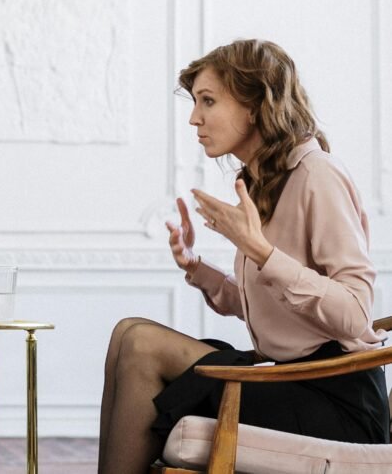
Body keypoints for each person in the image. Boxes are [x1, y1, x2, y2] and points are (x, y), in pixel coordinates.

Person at [98, 39, 389, 473]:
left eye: (208, 101)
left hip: (335, 400)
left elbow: (354, 312)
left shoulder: (317, 174)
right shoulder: (264, 182)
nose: (195, 118)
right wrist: (199, 270)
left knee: (142, 345)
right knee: (128, 333)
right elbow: (277, 308)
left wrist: (261, 251)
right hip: (291, 379)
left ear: (255, 105)